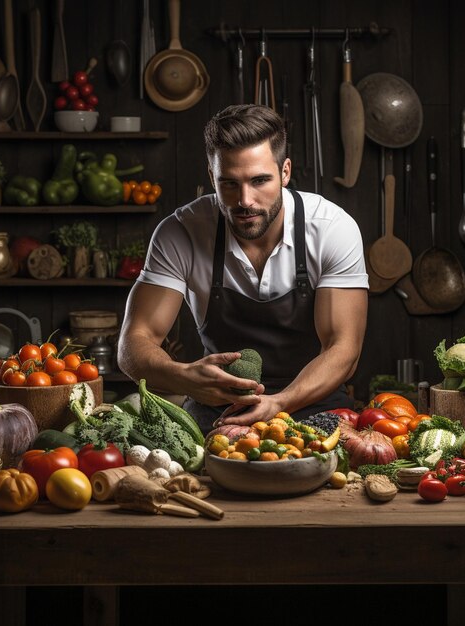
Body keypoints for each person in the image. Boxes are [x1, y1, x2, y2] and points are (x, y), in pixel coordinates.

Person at [117, 103, 368, 435]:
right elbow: (133, 344)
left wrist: (279, 403)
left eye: (260, 180)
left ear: (285, 172)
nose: (245, 200)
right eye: (229, 184)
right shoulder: (182, 232)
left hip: (314, 404)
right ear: (212, 177)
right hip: (216, 410)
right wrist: (185, 377)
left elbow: (343, 349)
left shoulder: (332, 228)